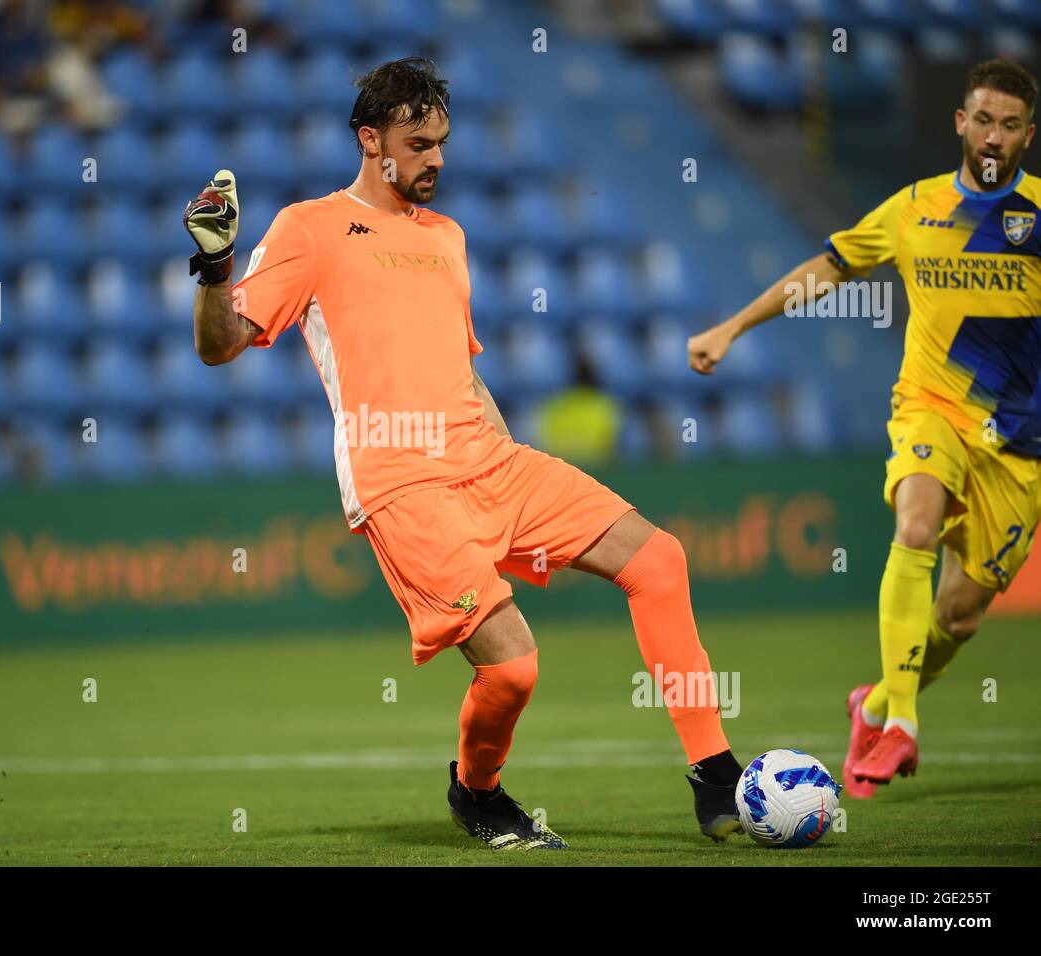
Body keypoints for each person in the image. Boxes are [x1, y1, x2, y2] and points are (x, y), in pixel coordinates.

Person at [187, 57, 742, 849]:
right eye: (418, 144)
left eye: (442, 142)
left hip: (492, 461)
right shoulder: (308, 228)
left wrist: (510, 468)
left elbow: (461, 366)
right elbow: (221, 346)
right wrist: (213, 270)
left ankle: (716, 776)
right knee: (514, 669)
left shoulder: (448, 237)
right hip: (402, 484)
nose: (436, 159)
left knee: (661, 561)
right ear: (369, 140)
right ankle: (477, 792)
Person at [687, 59, 1039, 798]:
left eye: (1009, 124)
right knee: (915, 524)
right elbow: (830, 267)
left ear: (1027, 135)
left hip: (1020, 442)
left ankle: (874, 702)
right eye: (981, 119)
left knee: (961, 614)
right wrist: (734, 325)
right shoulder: (914, 208)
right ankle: (902, 722)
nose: (992, 136)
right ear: (959, 123)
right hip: (931, 409)